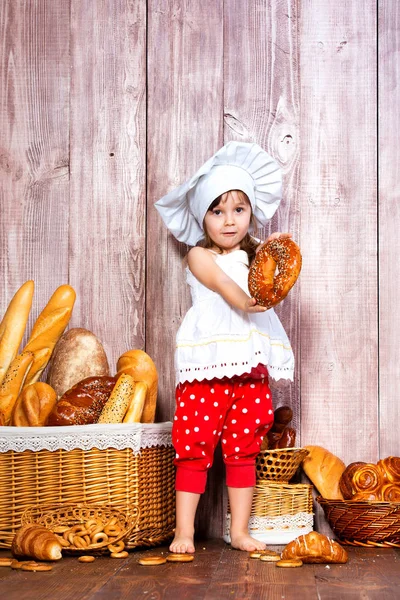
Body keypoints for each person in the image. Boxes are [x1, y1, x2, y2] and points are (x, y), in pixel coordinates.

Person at [155, 141, 295, 554]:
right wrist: (250, 300)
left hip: (250, 372)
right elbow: (226, 288)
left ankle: (239, 531)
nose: (229, 221)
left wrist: (274, 287)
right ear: (203, 217)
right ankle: (185, 531)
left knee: (244, 450)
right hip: (208, 370)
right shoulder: (199, 257)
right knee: (194, 449)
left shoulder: (260, 259)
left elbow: (269, 289)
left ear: (252, 212)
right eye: (217, 211)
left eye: (239, 209)